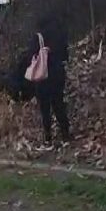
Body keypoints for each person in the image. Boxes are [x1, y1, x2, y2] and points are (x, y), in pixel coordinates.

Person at [28, 14, 71, 148]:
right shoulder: (60, 35)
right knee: (59, 104)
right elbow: (66, 55)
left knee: (45, 108)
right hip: (58, 74)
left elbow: (31, 54)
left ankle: (48, 138)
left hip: (43, 77)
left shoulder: (39, 37)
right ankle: (65, 135)